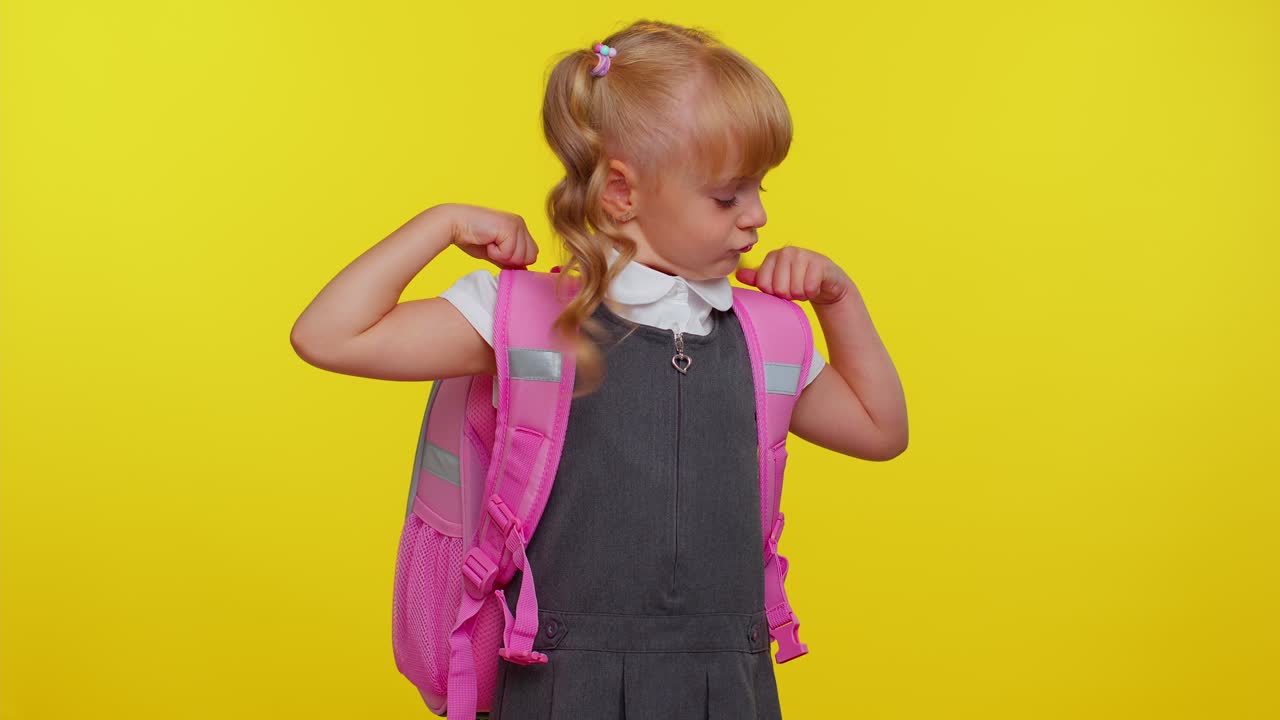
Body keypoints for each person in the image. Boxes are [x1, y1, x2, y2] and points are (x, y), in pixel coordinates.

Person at [291, 19, 909, 719]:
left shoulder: (767, 334)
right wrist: (439, 224)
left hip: (732, 685)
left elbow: (880, 429)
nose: (758, 217)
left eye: (761, 188)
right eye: (729, 195)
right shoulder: (522, 317)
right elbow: (329, 336)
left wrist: (839, 302)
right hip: (558, 684)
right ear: (622, 191)